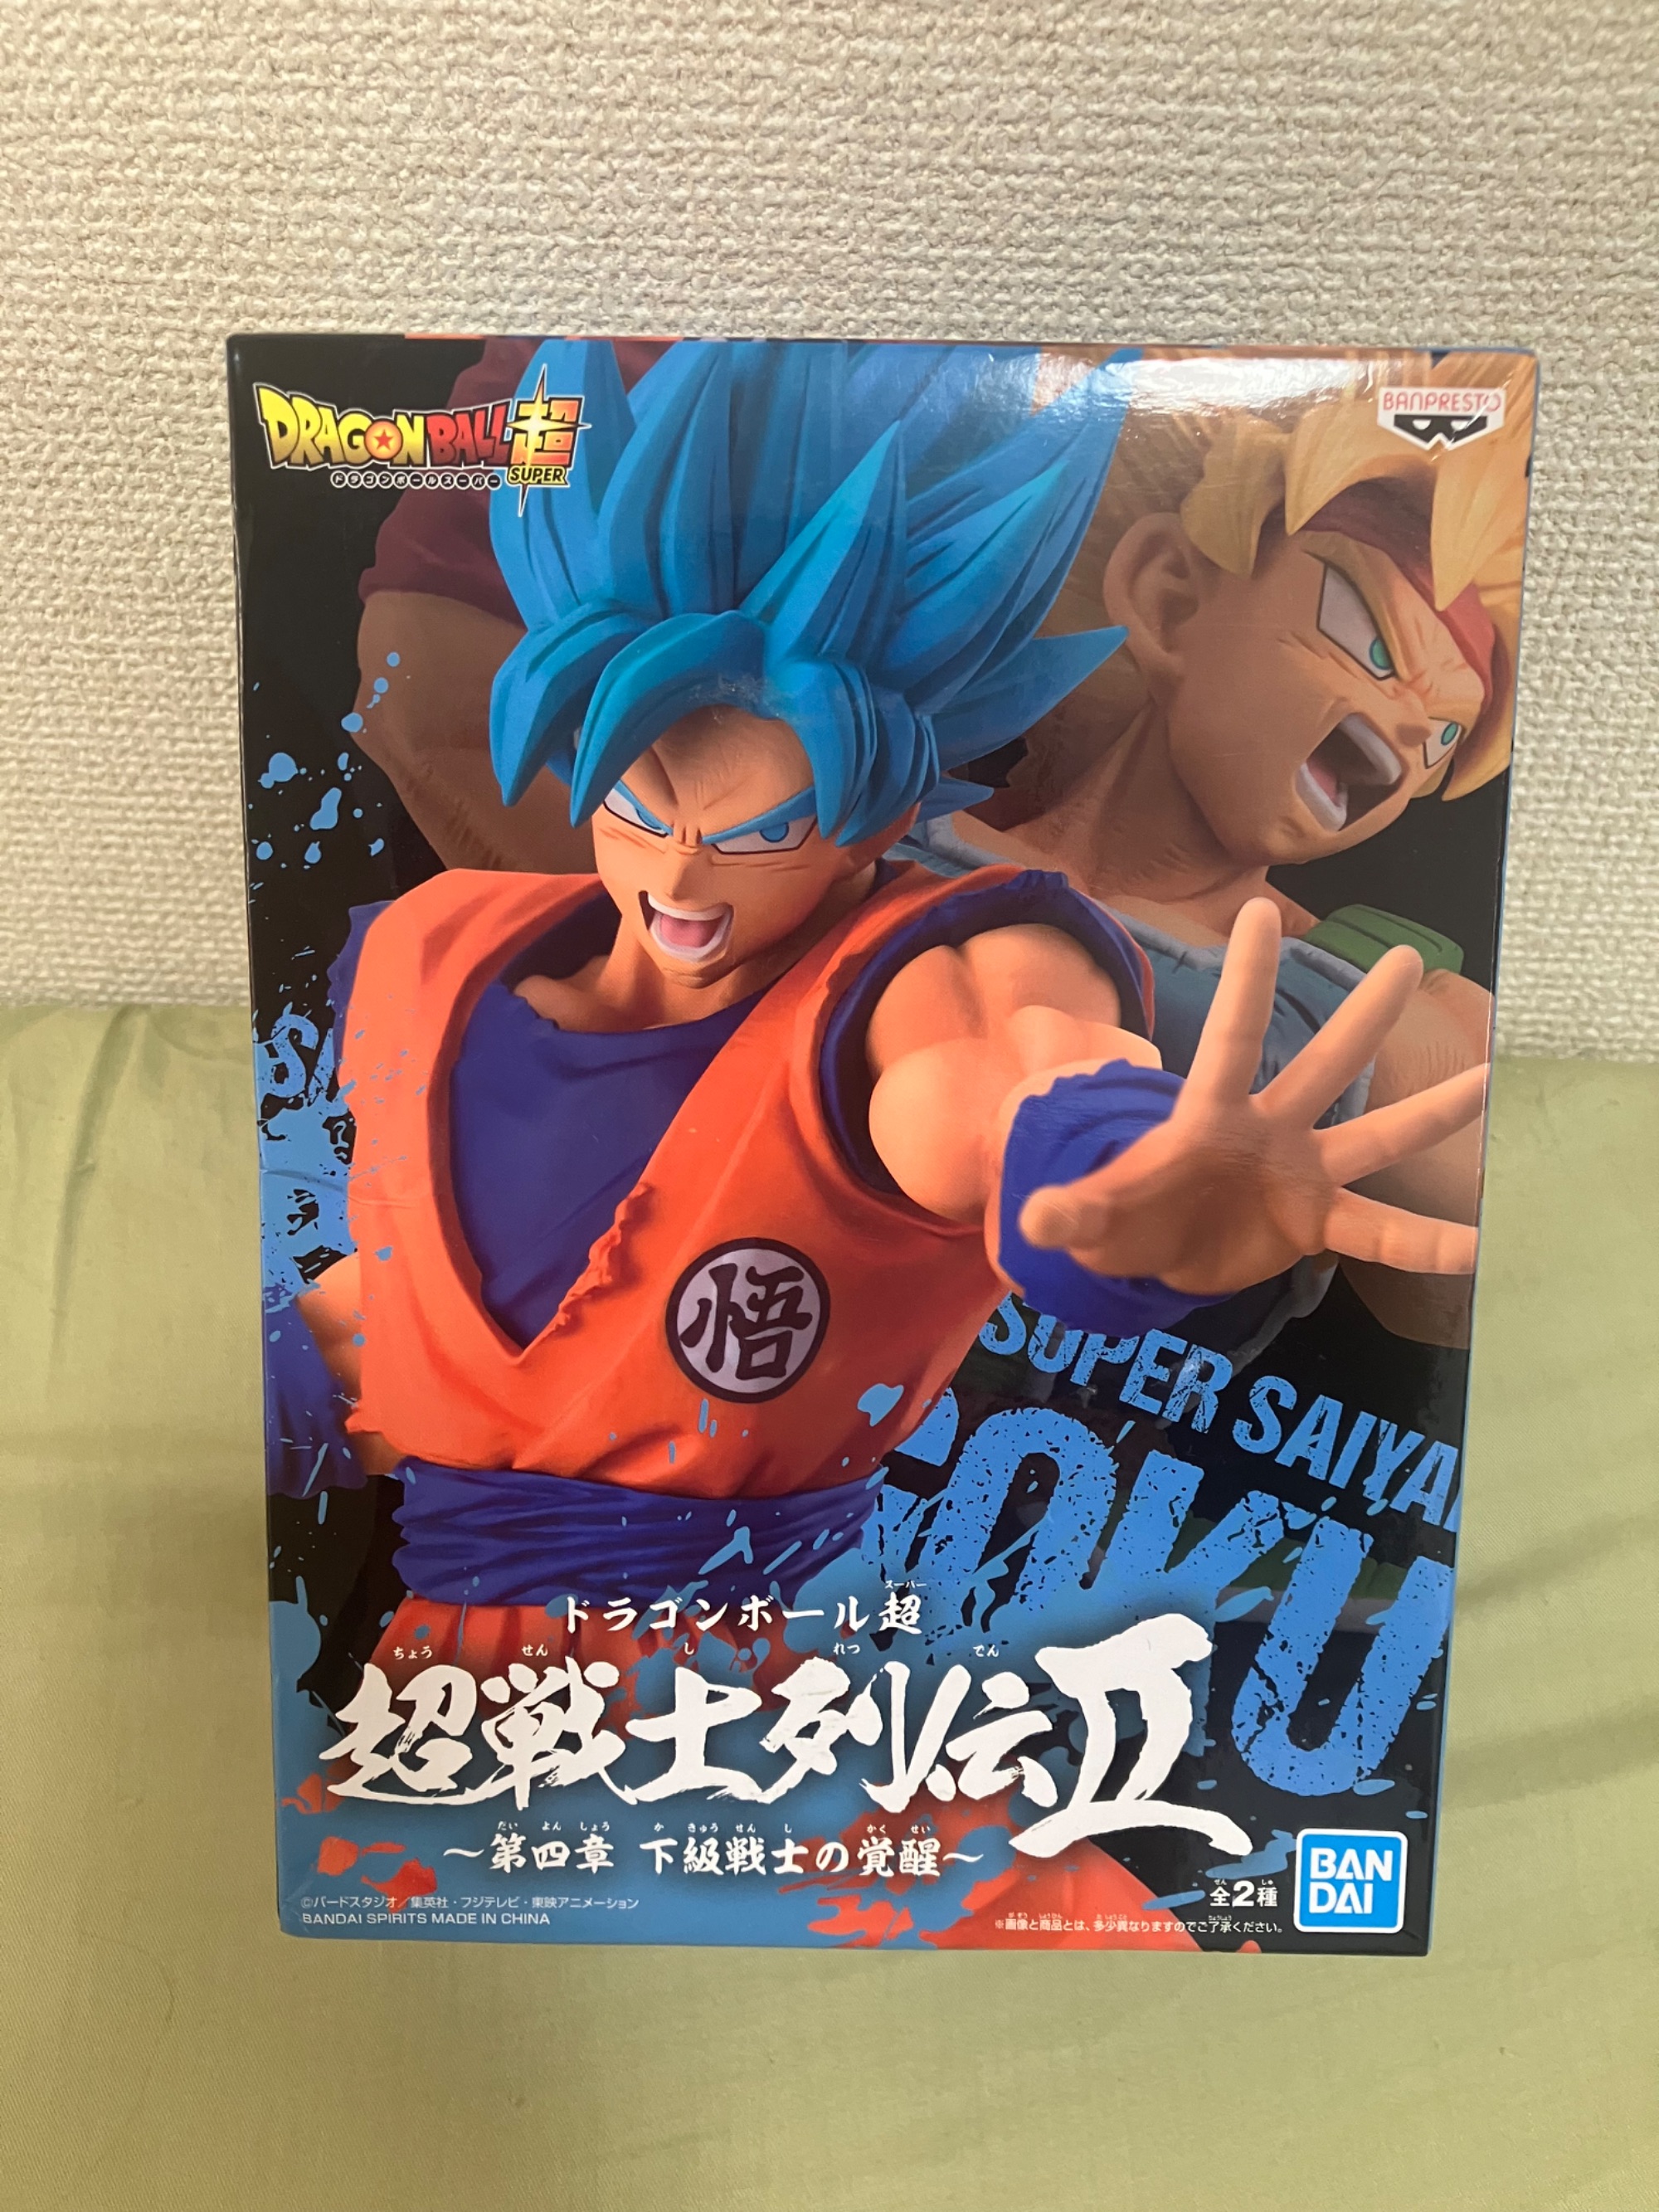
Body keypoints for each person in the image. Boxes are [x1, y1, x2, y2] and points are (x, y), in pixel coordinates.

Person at [294, 339, 1485, 1695]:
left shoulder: (959, 952)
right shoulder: (437, 955)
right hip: (453, 1704)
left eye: (764, 829)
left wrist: (1117, 1195)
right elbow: (444, 1303)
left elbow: (1004, 1073)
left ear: (867, 826)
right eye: (634, 800)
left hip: (865, 1685)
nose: (682, 875)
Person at [907, 348, 1533, 1346]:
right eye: (1369, 646)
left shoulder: (1397, 1008)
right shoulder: (876, 828)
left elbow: (1522, 1293)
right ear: (1168, 596)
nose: (1409, 729)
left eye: (1444, 733)